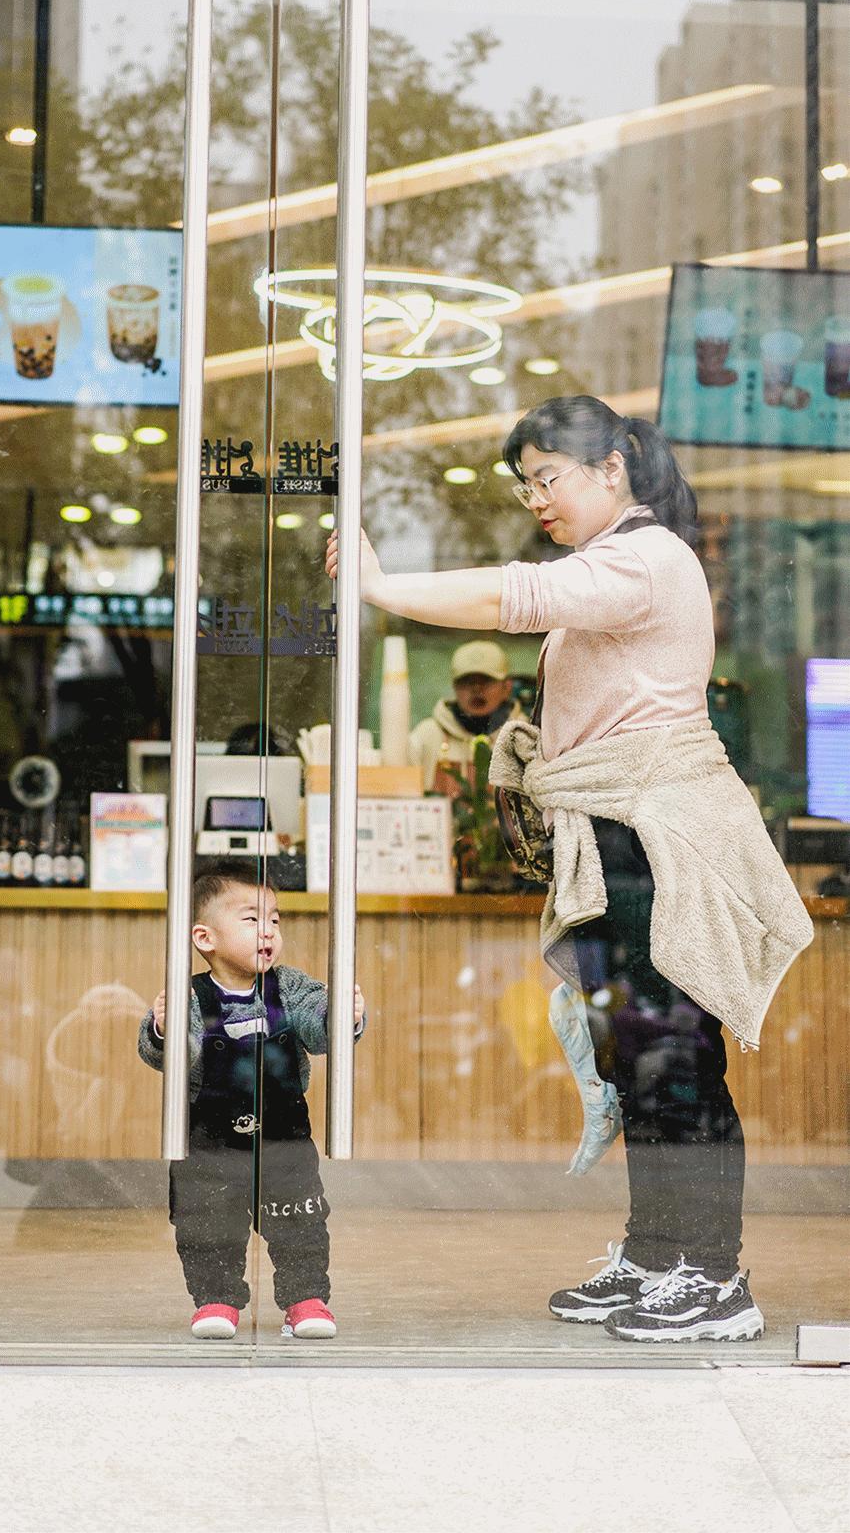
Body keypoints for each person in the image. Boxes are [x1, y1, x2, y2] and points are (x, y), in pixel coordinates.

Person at [325, 395, 812, 1345]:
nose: (535, 497)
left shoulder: (648, 557)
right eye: (527, 482)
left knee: (677, 1055)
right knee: (640, 1058)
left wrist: (381, 587)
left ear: (612, 467)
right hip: (616, 828)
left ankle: (714, 1279)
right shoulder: (614, 565)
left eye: (548, 477)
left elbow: (518, 596)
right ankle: (657, 1253)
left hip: (656, 830)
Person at [138, 858, 365, 1340]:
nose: (269, 931)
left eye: (275, 919)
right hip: (210, 1144)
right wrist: (163, 1028)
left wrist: (342, 1014)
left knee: (301, 1223)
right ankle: (216, 1300)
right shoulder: (190, 997)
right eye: (251, 919)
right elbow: (167, 1056)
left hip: (283, 1138)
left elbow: (316, 1027)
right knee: (207, 1224)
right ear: (205, 938)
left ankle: (306, 1300)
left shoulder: (292, 987)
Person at [407, 640, 523, 791]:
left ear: (507, 687)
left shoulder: (523, 735)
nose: (476, 690)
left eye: (486, 681)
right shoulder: (427, 735)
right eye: (467, 682)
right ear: (454, 687)